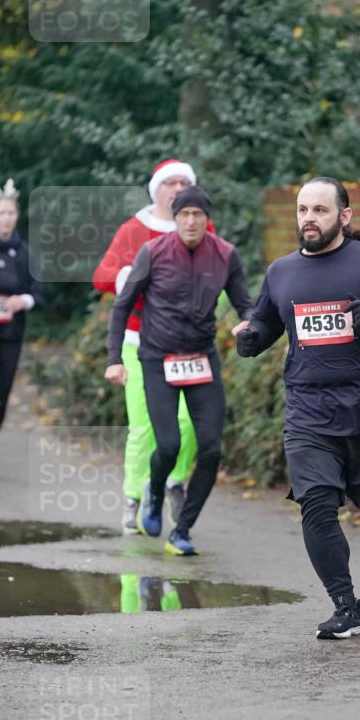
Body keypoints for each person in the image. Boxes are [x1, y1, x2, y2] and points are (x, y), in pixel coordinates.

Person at [237, 176, 360, 640]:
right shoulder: (281, 271)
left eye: (320, 210)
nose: (309, 218)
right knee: (316, 506)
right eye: (303, 209)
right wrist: (251, 340)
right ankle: (347, 608)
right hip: (309, 413)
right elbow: (266, 325)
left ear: (343, 216)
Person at [105, 186, 254, 556]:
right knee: (168, 444)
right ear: (174, 218)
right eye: (184, 214)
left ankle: (182, 529)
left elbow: (245, 304)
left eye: (197, 215)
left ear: (207, 219)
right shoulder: (153, 252)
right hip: (157, 359)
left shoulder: (224, 255)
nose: (191, 221)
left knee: (211, 449)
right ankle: (154, 495)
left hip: (201, 359)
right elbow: (122, 306)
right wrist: (114, 359)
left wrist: (250, 324)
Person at [94, 159, 212, 534]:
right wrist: (131, 275)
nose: (176, 188)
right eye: (169, 183)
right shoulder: (134, 229)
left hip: (187, 344)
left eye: (183, 182)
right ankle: (133, 498)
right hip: (139, 341)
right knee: (144, 426)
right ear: (156, 189)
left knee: (188, 424)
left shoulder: (200, 227)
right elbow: (102, 276)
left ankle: (172, 483)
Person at [0, 179, 43, 428]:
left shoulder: (26, 253)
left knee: (1, 394)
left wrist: (22, 301)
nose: (6, 218)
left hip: (11, 334)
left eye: (10, 213)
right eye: (1, 213)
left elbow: (39, 293)